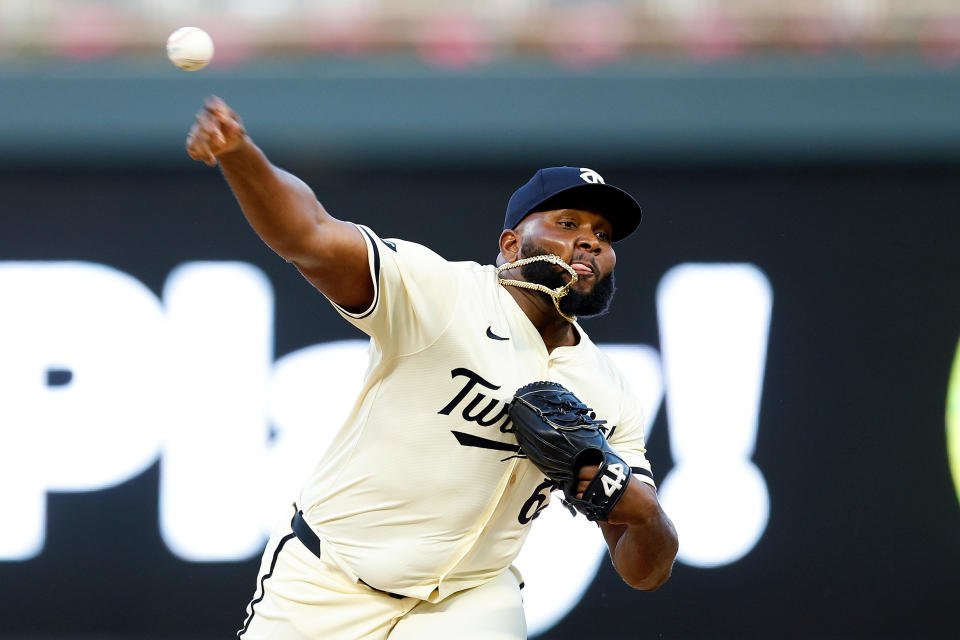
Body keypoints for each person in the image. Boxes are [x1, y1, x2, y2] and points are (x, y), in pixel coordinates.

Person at [186, 96, 678, 640]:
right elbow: (310, 236)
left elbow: (644, 572)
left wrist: (641, 512)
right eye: (568, 222)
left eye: (604, 235)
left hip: (470, 601)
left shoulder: (610, 391)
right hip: (330, 581)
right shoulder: (440, 293)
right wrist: (241, 155)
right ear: (511, 244)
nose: (590, 240)